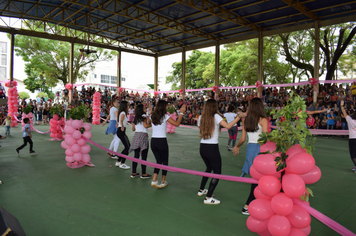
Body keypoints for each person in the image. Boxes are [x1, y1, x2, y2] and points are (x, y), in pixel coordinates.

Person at [197, 99, 242, 204]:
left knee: (209, 168)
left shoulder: (201, 117)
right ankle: (208, 198)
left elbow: (201, 128)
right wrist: (238, 117)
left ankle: (201, 190)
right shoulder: (216, 116)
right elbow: (228, 126)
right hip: (212, 148)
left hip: (202, 146)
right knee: (217, 172)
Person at [233, 97, 268, 215]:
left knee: (256, 178)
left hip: (250, 149)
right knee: (258, 179)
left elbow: (243, 139)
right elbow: (265, 139)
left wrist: (237, 146)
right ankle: (247, 206)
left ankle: (254, 202)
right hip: (259, 149)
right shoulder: (263, 120)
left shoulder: (246, 120)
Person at [149, 100, 186, 189]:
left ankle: (154, 180)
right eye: (166, 106)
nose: (167, 107)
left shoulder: (152, 116)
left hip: (153, 141)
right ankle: (163, 181)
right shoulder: (165, 116)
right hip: (161, 141)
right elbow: (177, 124)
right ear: (163, 107)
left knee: (158, 161)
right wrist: (181, 113)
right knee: (165, 161)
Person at [128, 104, 152, 179]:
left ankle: (134, 172)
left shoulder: (135, 117)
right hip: (143, 137)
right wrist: (152, 124)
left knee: (136, 155)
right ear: (142, 110)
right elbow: (146, 125)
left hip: (136, 136)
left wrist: (150, 114)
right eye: (144, 108)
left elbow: (133, 129)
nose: (145, 108)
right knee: (144, 156)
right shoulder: (144, 116)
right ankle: (144, 173)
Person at [340, 100, 356, 172]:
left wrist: (341, 105)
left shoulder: (350, 120)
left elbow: (344, 113)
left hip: (352, 139)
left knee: (353, 154)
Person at [115, 101, 131, 169]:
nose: (128, 107)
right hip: (121, 131)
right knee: (128, 147)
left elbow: (120, 120)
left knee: (127, 147)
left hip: (121, 131)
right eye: (127, 105)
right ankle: (122, 163)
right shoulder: (123, 113)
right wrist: (121, 126)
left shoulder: (121, 112)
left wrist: (119, 124)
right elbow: (121, 120)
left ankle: (119, 161)